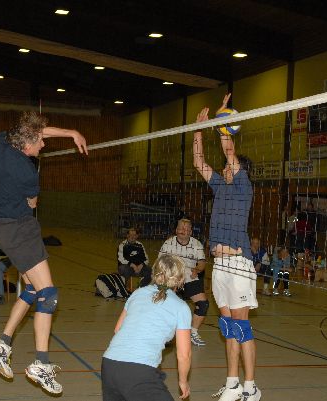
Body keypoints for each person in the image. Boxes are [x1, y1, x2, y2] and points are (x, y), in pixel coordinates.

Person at [0, 110, 87, 394]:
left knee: (30, 289)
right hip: (20, 230)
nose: (43, 144)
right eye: (39, 142)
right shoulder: (26, 171)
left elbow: (34, 130)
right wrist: (29, 201)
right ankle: (41, 363)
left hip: (2, 227)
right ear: (26, 145)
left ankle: (2, 344)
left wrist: (71, 133)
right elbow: (32, 203)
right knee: (48, 294)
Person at [193, 94, 261, 401]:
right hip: (219, 265)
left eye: (230, 166)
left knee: (242, 327)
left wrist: (222, 120)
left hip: (239, 265)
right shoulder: (220, 186)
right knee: (227, 326)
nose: (225, 168)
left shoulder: (244, 188)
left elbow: (229, 149)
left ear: (240, 170)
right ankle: (233, 384)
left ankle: (251, 387)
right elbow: (198, 163)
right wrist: (197, 130)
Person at [101, 254, 192, 401]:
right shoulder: (181, 307)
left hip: (109, 364)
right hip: (139, 371)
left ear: (154, 272)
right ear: (181, 279)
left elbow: (117, 329)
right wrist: (183, 381)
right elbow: (184, 355)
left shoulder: (137, 293)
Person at [159, 218, 208, 346]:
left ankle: (193, 332)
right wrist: (168, 276)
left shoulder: (196, 244)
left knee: (203, 304)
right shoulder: (168, 243)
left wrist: (197, 269)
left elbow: (202, 263)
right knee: (163, 304)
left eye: (186, 229)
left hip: (189, 276)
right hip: (172, 277)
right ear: (176, 230)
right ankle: (164, 333)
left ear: (190, 232)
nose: (183, 231)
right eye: (181, 228)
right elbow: (160, 263)